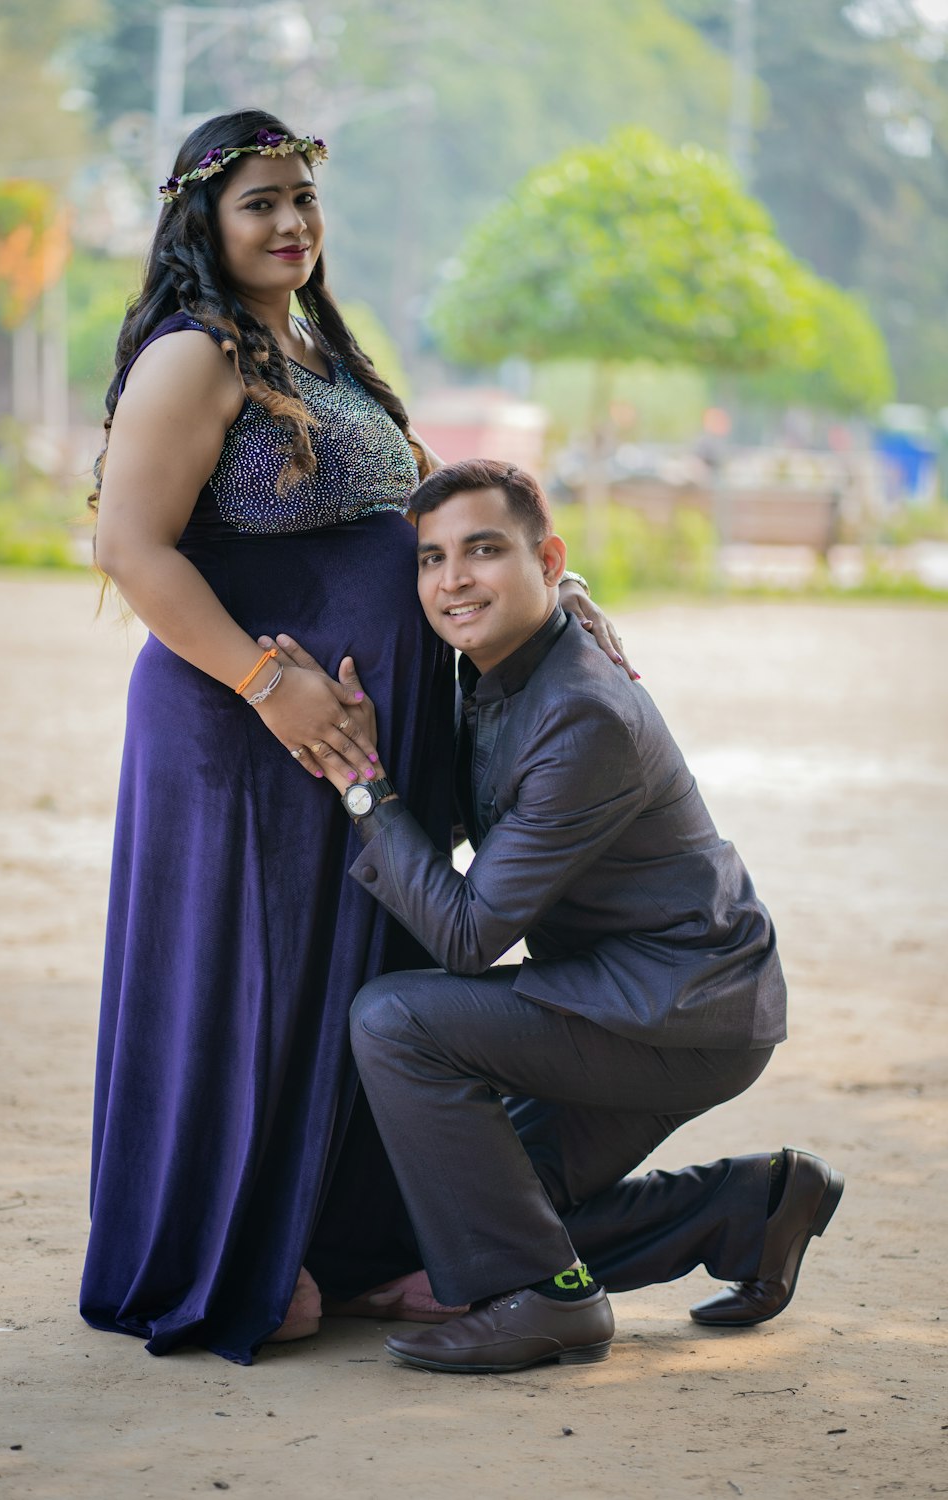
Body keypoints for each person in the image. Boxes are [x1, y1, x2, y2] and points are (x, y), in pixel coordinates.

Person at [80, 110, 620, 1365]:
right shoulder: (194, 355)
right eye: (259, 202)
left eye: (302, 200)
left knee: (355, 978)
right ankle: (236, 1252)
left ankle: (346, 1247)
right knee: (259, 986)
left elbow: (426, 510)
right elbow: (129, 548)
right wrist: (274, 687)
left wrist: (558, 591)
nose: (289, 224)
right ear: (203, 223)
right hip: (246, 741)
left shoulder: (316, 350)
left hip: (347, 742)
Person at [289, 458, 844, 1375]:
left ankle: (550, 1303)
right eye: (431, 559)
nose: (453, 579)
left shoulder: (581, 711)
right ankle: (749, 1206)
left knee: (394, 1020)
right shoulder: (490, 665)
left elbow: (469, 938)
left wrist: (362, 785)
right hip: (622, 992)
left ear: (546, 558)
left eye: (483, 551)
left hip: (679, 1008)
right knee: (488, 1214)